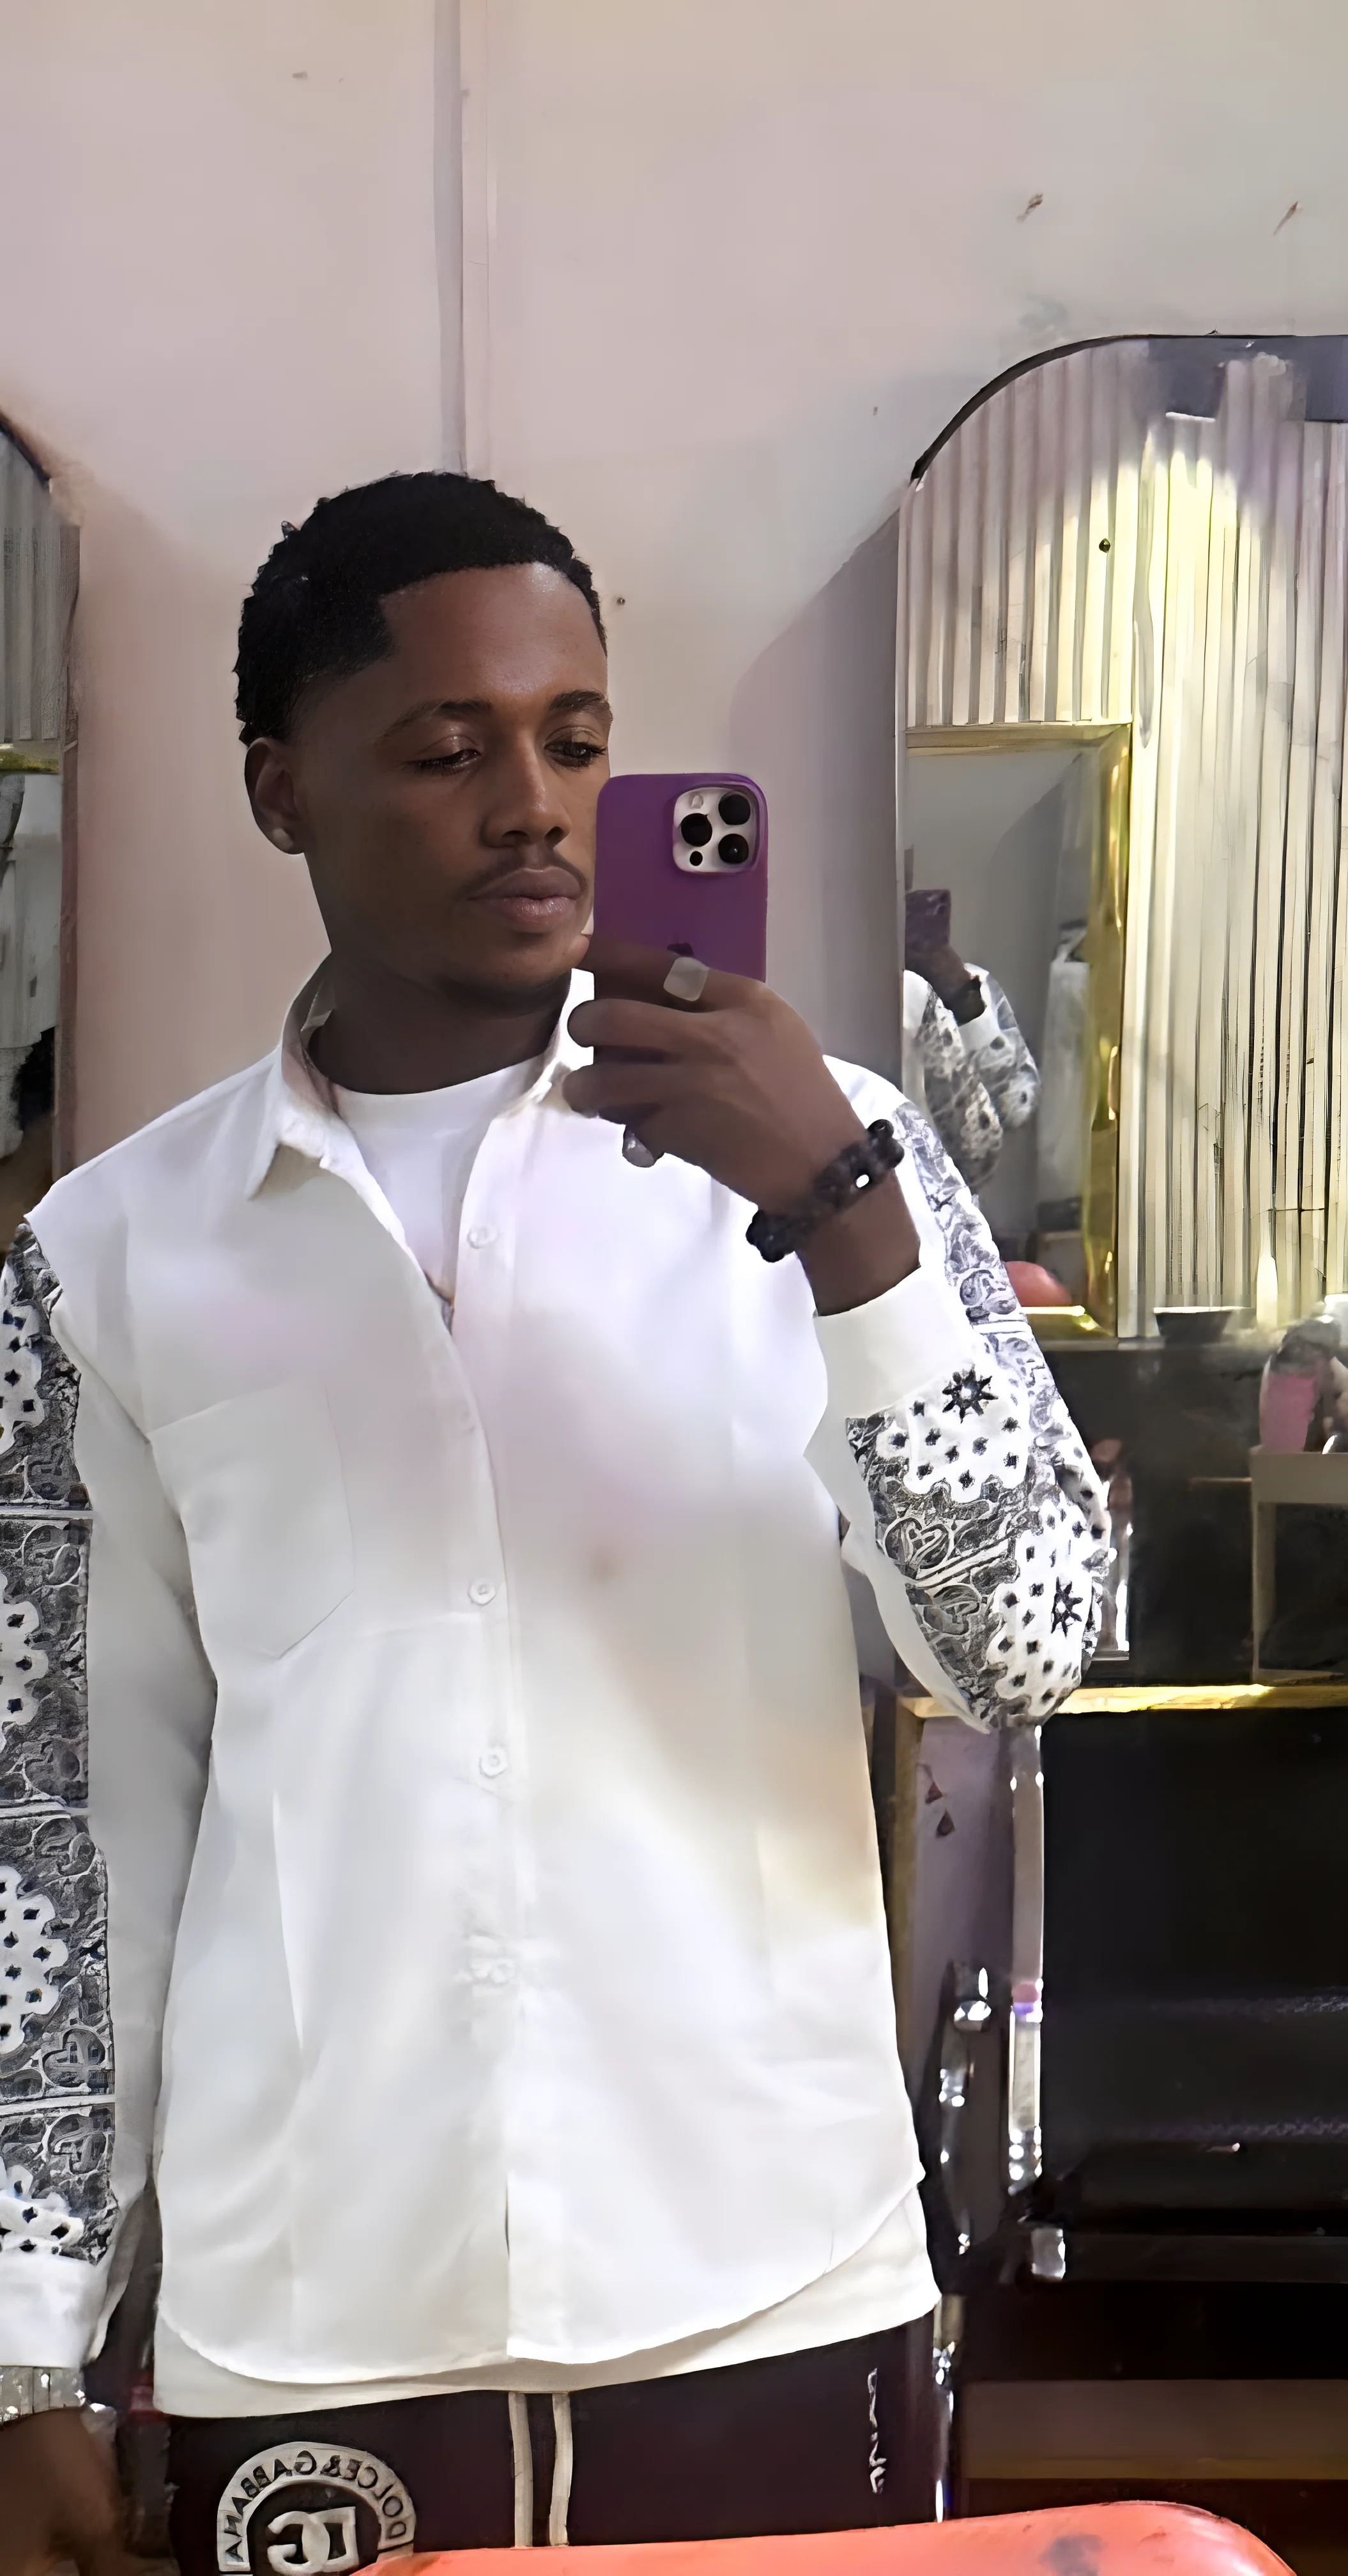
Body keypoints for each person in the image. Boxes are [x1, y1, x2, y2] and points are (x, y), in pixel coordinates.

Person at [0, 475, 1107, 2574]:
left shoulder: (845, 1151)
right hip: (313, 2314)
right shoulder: (116, 1256)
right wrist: (24, 2352)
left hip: (768, 2277)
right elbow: (67, 1822)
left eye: (576, 742)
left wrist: (842, 1223)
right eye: (447, 750)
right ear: (281, 789)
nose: (532, 807)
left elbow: (1025, 1646)